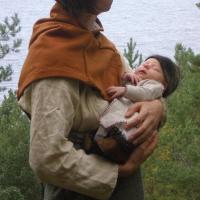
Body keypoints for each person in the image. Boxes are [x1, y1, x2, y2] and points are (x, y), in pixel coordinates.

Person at [17, 0, 165, 200]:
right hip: (78, 188)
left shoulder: (99, 44)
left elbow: (142, 88)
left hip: (116, 169)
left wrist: (158, 107)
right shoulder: (54, 54)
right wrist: (119, 172)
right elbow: (45, 157)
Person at [93, 55, 180, 164]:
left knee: (122, 138)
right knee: (105, 129)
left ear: (165, 84)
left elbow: (144, 93)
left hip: (130, 125)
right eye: (144, 64)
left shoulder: (155, 87)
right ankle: (96, 143)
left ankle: (108, 149)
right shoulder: (136, 80)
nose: (147, 66)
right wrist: (126, 77)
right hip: (118, 118)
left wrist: (126, 90)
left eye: (155, 68)